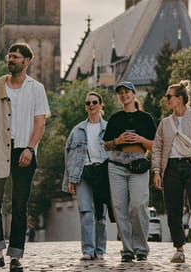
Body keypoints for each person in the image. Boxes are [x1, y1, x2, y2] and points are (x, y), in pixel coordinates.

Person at [0, 42, 50, 272]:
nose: (10, 60)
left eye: (16, 57)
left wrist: (30, 148)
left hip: (23, 149)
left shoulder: (36, 88)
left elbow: (40, 122)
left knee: (19, 204)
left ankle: (16, 256)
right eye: (9, 56)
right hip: (0, 149)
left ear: (27, 61)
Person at [151, 80, 191, 263]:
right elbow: (157, 147)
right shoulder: (165, 123)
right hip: (171, 169)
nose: (166, 99)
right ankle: (179, 249)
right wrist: (157, 171)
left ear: (180, 98)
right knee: (173, 210)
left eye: (169, 96)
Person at [102, 81, 156, 263]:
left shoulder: (145, 118)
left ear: (134, 94)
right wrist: (117, 141)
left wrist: (140, 139)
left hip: (138, 164)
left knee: (139, 205)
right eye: (121, 93)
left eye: (127, 92)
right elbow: (106, 145)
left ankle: (141, 248)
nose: (124, 95)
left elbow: (155, 145)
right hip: (116, 164)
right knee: (119, 208)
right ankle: (127, 249)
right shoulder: (115, 119)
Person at [63, 91, 111, 261]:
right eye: (88, 103)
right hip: (83, 174)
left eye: (94, 102)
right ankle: (88, 250)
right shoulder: (77, 130)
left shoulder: (108, 128)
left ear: (101, 104)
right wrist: (70, 179)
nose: (91, 105)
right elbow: (68, 156)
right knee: (85, 211)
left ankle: (100, 250)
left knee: (101, 215)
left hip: (103, 175)